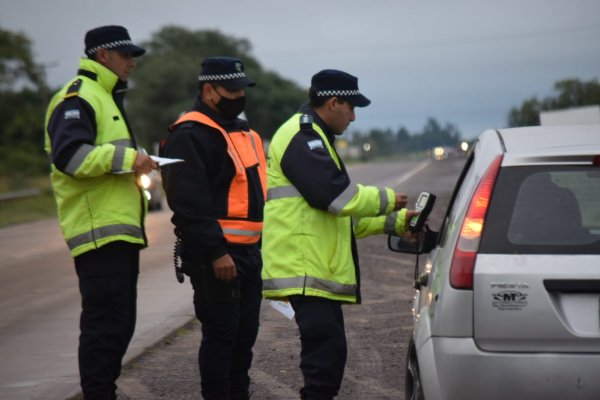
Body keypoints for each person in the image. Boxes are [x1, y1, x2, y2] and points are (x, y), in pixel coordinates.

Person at [261, 69, 418, 400]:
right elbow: (336, 197)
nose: (354, 116)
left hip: (314, 269)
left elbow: (344, 219)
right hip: (304, 269)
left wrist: (396, 222)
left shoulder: (316, 138)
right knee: (322, 363)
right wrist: (387, 199)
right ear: (334, 102)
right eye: (351, 107)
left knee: (328, 358)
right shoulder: (302, 137)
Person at [43, 25, 157, 399]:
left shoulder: (106, 97)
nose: (132, 63)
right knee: (105, 325)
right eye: (126, 56)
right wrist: (129, 158)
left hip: (118, 231)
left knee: (120, 324)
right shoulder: (78, 98)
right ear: (102, 56)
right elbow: (70, 157)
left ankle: (102, 391)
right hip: (97, 231)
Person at [159, 56, 266, 400]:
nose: (239, 95)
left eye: (241, 89)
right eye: (232, 89)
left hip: (248, 254)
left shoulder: (241, 132)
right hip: (218, 258)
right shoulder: (189, 134)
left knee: (243, 338)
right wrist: (216, 252)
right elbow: (188, 205)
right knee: (221, 338)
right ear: (209, 90)